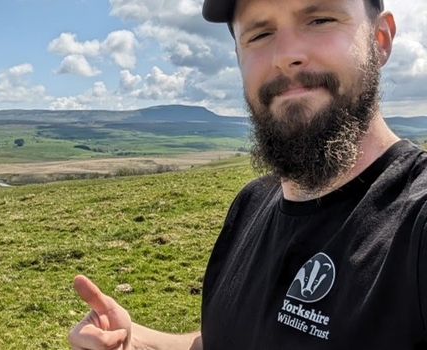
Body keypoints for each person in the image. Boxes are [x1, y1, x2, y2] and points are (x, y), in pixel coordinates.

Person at [68, 0, 427, 348]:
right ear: (239, 58)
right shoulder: (251, 204)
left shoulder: (417, 224)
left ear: (380, 39)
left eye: (319, 19)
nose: (285, 56)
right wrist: (135, 344)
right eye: (259, 34)